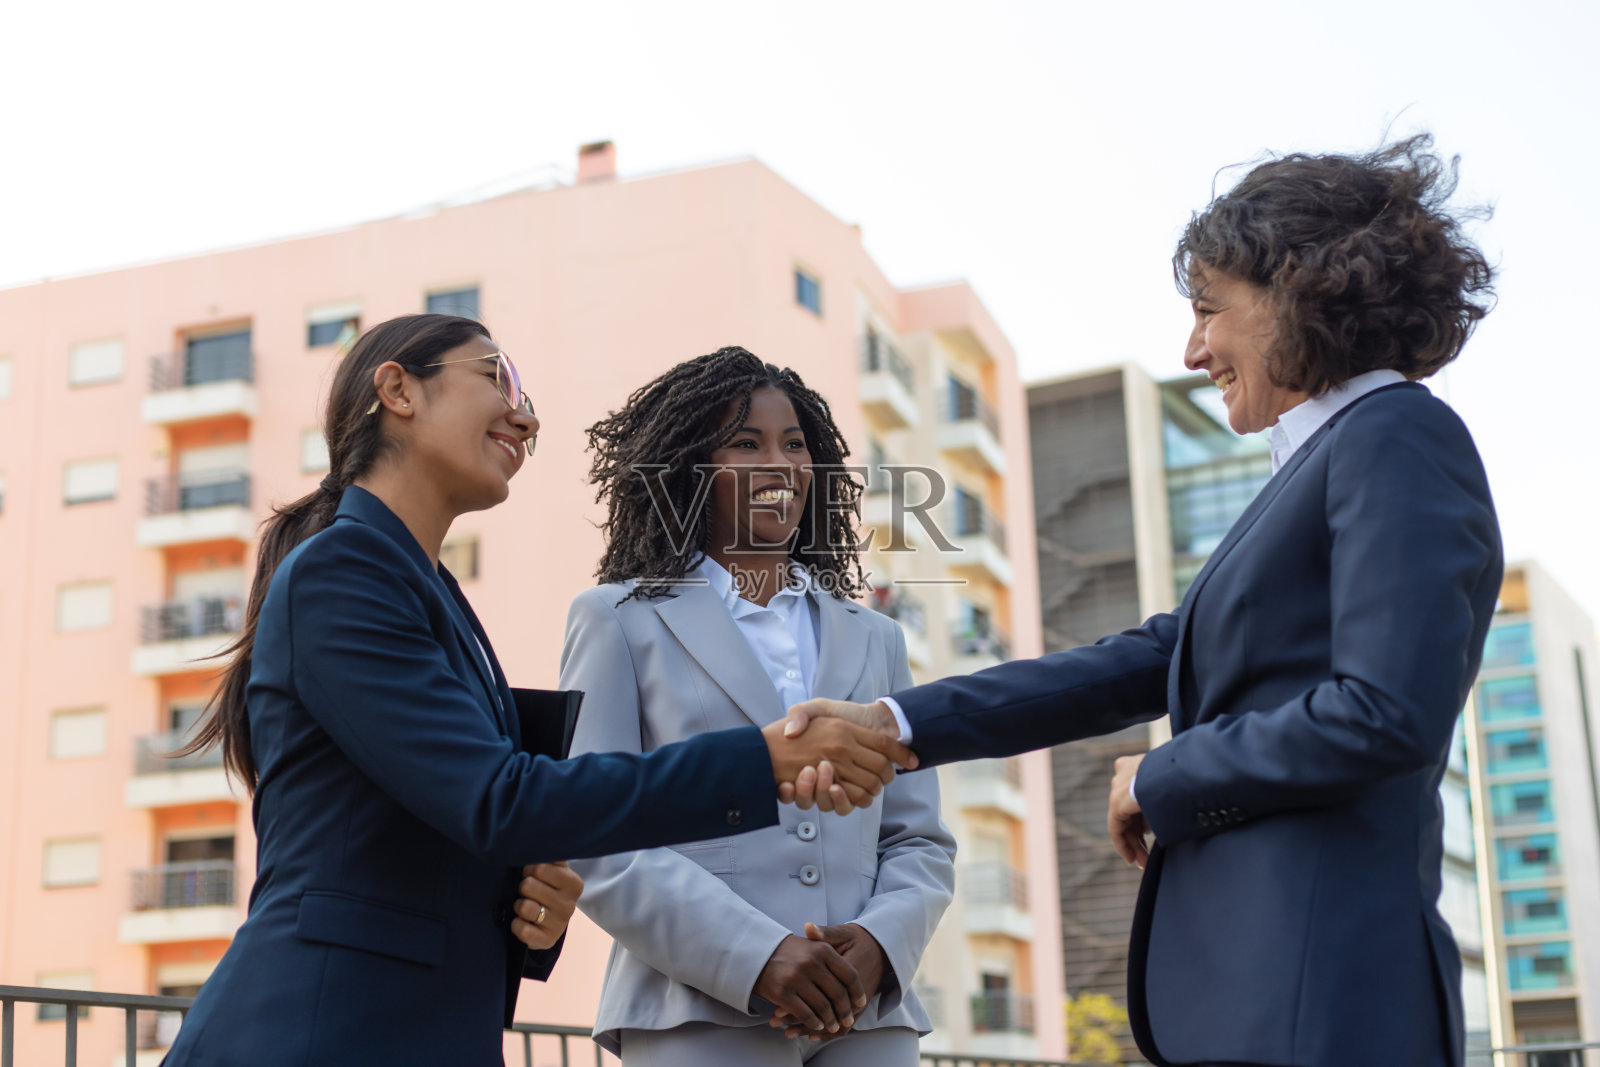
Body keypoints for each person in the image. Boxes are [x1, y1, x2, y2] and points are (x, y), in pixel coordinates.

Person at [785, 135, 1500, 1067]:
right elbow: (1150, 656)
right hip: (1270, 997)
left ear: (1301, 292)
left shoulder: (1396, 435)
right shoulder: (1327, 459)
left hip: (1320, 1002)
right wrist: (893, 720)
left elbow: (1384, 713)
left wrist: (1161, 775)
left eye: (1209, 310)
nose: (1194, 348)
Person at [161, 315, 915, 1066]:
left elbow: (459, 815)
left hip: (417, 1025)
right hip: (317, 1029)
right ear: (398, 390)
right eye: (497, 378)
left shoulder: (434, 595)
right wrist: (764, 761)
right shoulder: (345, 572)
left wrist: (533, 897)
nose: (525, 415)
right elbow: (502, 800)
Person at [559, 347, 956, 1067]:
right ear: (690, 470)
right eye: (746, 443)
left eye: (795, 444)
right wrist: (757, 954)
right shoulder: (616, 619)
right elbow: (594, 825)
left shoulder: (878, 636)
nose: (781, 463)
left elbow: (919, 839)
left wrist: (878, 946)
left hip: (866, 1017)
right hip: (695, 1009)